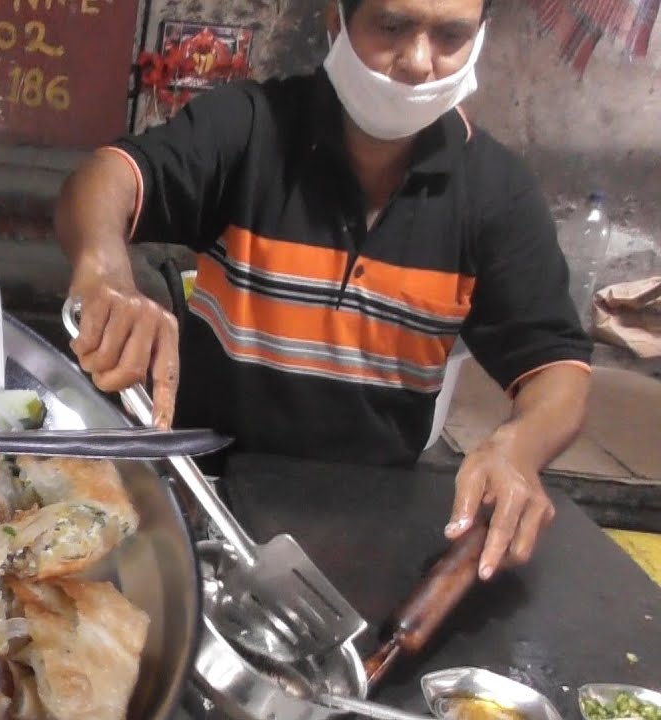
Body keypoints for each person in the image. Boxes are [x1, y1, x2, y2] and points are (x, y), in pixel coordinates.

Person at [54, 0, 593, 581]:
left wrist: (520, 445)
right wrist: (107, 271)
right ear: (337, 21)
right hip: (203, 498)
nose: (417, 61)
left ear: (480, 38)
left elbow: (555, 368)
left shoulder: (495, 194)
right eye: (391, 26)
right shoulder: (252, 128)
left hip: (369, 526)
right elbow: (107, 176)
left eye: (450, 37)